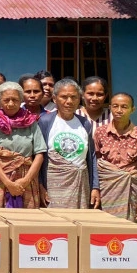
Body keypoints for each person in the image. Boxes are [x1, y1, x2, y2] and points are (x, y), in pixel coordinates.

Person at [37, 78, 100, 209]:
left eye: (73, 97)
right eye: (64, 97)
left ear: (79, 99)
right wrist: (40, 185)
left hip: (80, 184)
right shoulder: (45, 122)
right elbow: (38, 156)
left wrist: (95, 186)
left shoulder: (84, 123)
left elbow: (91, 156)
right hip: (53, 184)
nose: (69, 101)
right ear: (55, 99)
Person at [0, 81, 46, 208]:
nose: (11, 104)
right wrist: (8, 183)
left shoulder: (30, 120)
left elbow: (40, 153)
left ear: (21, 100)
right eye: (6, 100)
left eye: (15, 100)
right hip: (0, 177)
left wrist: (26, 180)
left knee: (27, 220)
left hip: (27, 176)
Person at [94, 92, 137, 222]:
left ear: (132, 109)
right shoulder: (101, 132)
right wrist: (94, 189)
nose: (119, 110)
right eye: (115, 106)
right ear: (110, 107)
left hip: (130, 189)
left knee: (129, 227)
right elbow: (94, 163)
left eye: (124, 107)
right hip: (105, 189)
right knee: (103, 226)